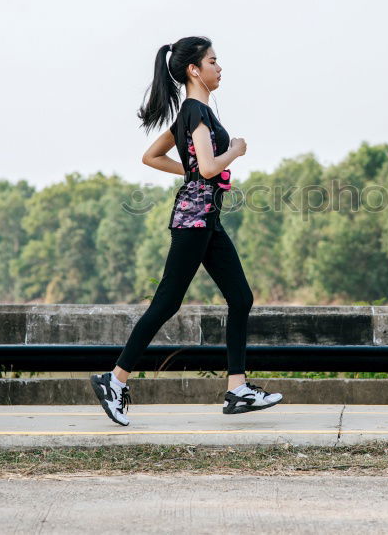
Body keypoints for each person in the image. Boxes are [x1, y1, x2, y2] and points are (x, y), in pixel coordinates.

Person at [90, 36, 282, 426]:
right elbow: (210, 169)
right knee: (167, 302)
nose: (220, 67)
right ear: (195, 69)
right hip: (194, 219)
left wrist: (195, 169)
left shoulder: (191, 115)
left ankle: (237, 389)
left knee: (241, 298)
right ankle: (114, 380)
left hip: (206, 219)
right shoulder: (194, 111)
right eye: (213, 61)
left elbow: (152, 157)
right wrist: (237, 150)